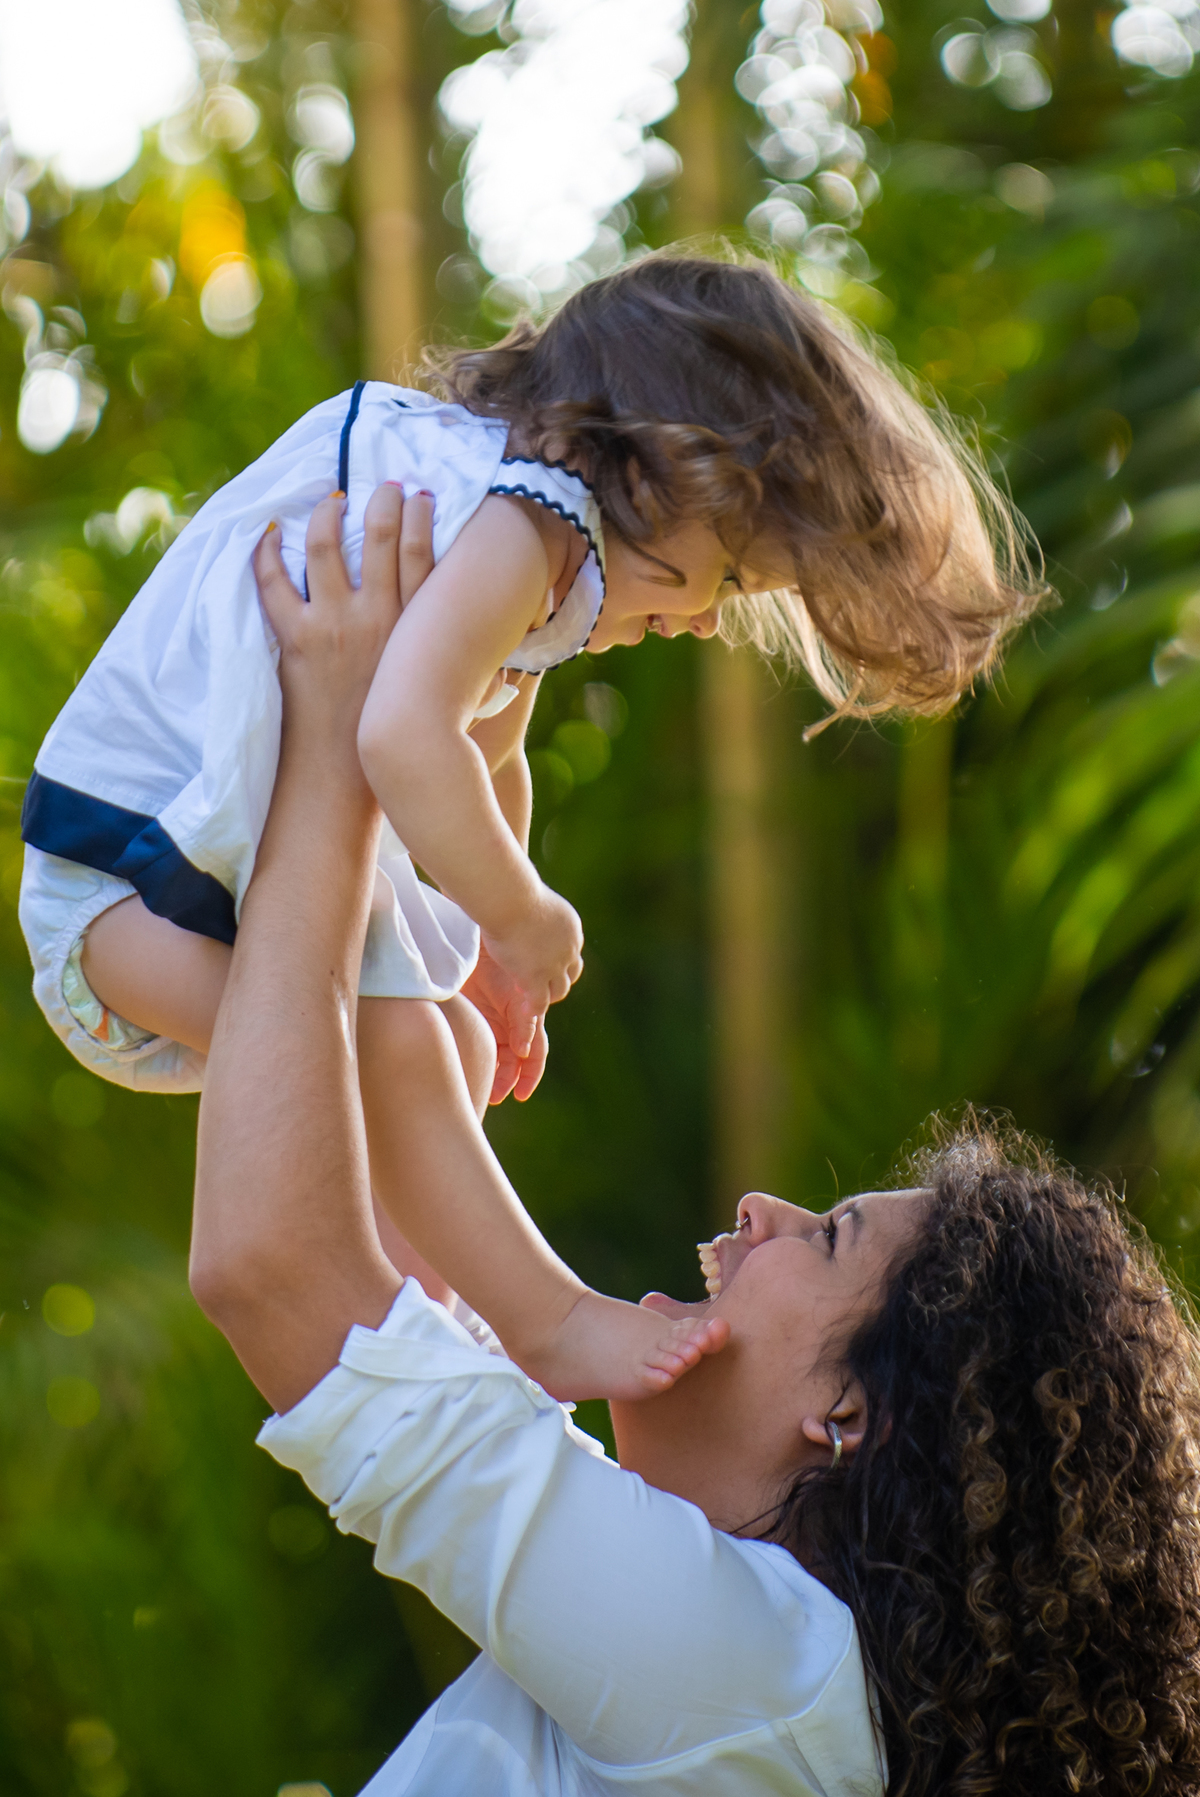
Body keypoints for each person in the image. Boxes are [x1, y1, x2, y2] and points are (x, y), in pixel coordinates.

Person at [189, 494, 1200, 1797]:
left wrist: (336, 754)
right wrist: (443, 975)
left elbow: (277, 1272)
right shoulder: (771, 1681)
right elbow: (380, 1288)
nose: (764, 1206)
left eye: (829, 1237)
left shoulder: (762, 1678)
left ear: (847, 1415)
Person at [20, 253, 1039, 1401]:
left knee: (448, 1046)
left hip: (175, 890)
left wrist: (485, 952)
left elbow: (487, 750)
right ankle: (547, 1323)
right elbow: (403, 736)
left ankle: (428, 1348)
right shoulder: (522, 526)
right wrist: (525, 913)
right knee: (407, 1050)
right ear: (648, 471)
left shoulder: (511, 517)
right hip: (124, 888)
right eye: (720, 578)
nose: (707, 622)